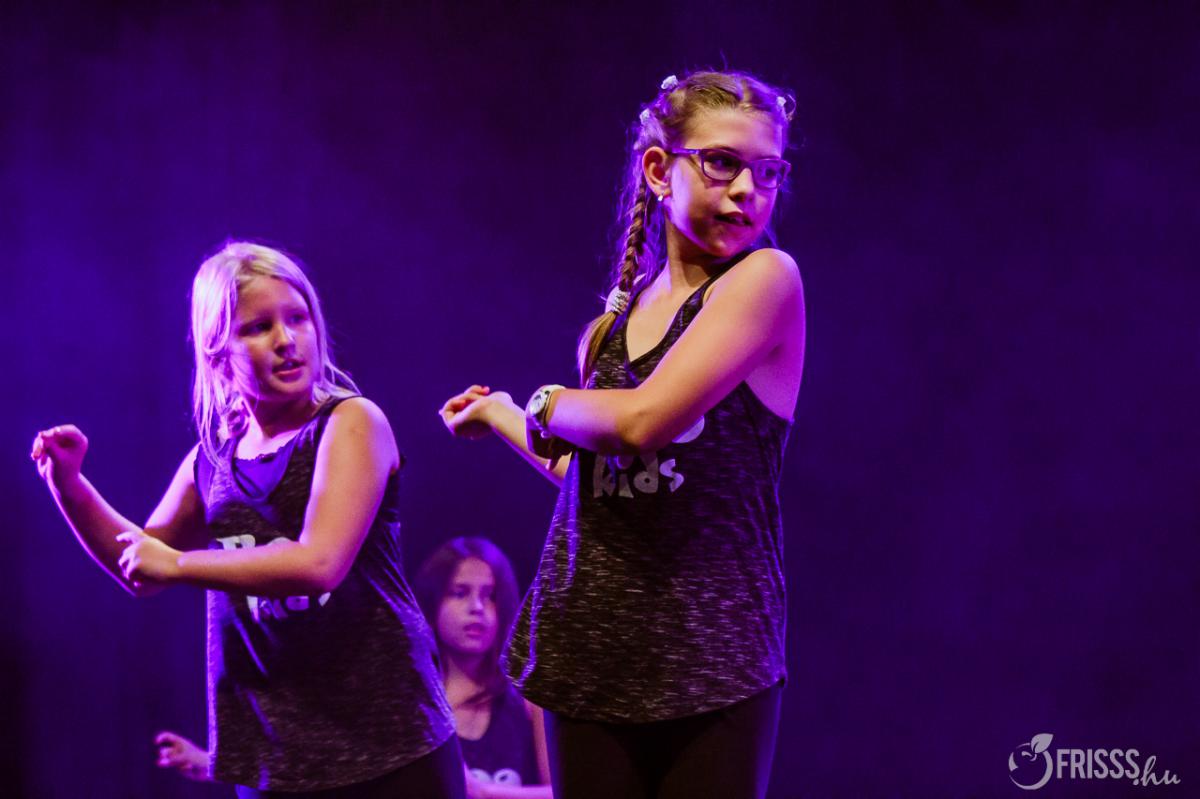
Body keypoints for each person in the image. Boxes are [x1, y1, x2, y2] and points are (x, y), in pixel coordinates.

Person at [439, 69, 805, 799]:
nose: (746, 190)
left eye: (766, 171)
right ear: (659, 169)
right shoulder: (614, 322)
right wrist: (503, 412)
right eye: (722, 163)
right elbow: (590, 475)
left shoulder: (766, 280)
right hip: (588, 650)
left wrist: (544, 402)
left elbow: (639, 422)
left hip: (710, 658)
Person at [31, 242, 462, 798]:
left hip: (389, 744)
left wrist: (179, 564)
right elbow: (139, 565)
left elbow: (319, 563)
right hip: (272, 755)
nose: (286, 340)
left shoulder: (351, 421)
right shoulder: (212, 460)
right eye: (259, 327)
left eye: (298, 318)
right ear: (217, 354)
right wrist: (68, 485)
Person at [156, 536, 553, 799]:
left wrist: (482, 792)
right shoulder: (410, 698)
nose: (477, 609)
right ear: (433, 602)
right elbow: (330, 763)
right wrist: (213, 763)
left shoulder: (528, 701)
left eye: (490, 596)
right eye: (460, 593)